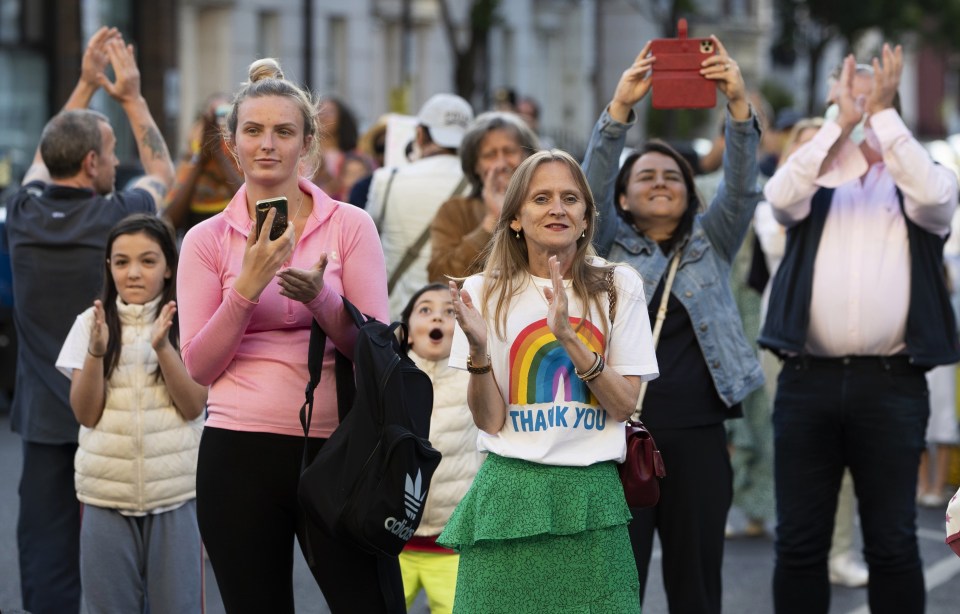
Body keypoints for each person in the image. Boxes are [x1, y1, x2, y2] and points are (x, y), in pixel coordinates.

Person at [176, 58, 400, 614]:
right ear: (232, 145)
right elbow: (198, 368)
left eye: (283, 131)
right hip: (238, 451)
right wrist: (246, 287)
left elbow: (378, 349)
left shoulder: (350, 224)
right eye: (253, 131)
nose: (267, 144)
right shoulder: (205, 240)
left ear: (307, 144)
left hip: (339, 448)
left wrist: (320, 299)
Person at [758, 46, 960, 614]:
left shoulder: (919, 186)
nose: (863, 108)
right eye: (851, 96)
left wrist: (887, 115)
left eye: (873, 98)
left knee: (893, 542)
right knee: (799, 543)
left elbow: (940, 199)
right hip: (807, 381)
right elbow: (778, 198)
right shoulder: (815, 181)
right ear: (833, 100)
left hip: (891, 385)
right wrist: (840, 125)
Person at [582, 38, 763, 613]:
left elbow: (740, 183)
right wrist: (618, 111)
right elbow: (587, 188)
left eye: (673, 177)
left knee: (697, 584)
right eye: (646, 176)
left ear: (691, 196)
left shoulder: (713, 241)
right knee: (616, 584)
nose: (660, 181)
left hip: (701, 441)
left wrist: (736, 101)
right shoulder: (606, 246)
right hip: (619, 436)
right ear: (624, 201)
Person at [438, 149, 660, 612]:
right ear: (516, 217)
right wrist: (479, 351)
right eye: (541, 198)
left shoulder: (620, 285)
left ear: (585, 219)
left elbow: (623, 405)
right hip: (507, 494)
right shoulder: (483, 291)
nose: (557, 208)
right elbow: (491, 421)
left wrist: (569, 338)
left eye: (570, 198)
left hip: (593, 497)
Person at [5, 27, 174, 614]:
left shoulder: (22, 213)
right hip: (112, 410)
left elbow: (39, 161)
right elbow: (163, 172)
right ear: (93, 162)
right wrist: (129, 98)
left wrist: (81, 84)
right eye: (108, 150)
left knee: (47, 547)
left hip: (45, 417)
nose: (118, 160)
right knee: (120, 549)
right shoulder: (120, 216)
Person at [54, 214, 206, 613]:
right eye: (121, 262)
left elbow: (193, 406)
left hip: (175, 494)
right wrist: (96, 352)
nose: (133, 273)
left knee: (179, 605)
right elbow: (86, 415)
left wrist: (163, 348)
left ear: (169, 266)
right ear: (109, 267)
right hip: (105, 493)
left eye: (148, 261)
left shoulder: (189, 322)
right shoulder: (91, 324)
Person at [754, 116, 870, 588]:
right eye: (804, 148)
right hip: (787, 346)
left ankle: (839, 550)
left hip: (846, 351)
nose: (818, 155)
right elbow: (784, 238)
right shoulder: (775, 203)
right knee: (795, 454)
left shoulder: (854, 203)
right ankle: (801, 547)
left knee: (846, 459)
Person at [397, 282, 483, 614]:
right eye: (425, 310)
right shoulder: (391, 377)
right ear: (406, 333)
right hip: (394, 543)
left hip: (454, 543)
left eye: (449, 312)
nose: (438, 318)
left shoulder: (475, 378)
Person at [366, 93, 474, 318]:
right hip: (459, 317)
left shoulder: (387, 178)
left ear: (420, 134)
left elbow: (365, 241)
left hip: (398, 319)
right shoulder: (480, 184)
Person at [427, 111, 539, 281]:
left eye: (509, 151)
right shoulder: (454, 211)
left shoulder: (545, 208)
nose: (501, 164)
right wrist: (492, 219)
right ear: (475, 166)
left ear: (527, 157)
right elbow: (440, 279)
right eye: (490, 155)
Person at [164, 93, 243, 235]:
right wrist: (201, 161)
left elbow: (249, 204)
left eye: (223, 116)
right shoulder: (187, 166)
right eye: (210, 121)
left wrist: (219, 156)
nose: (216, 127)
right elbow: (169, 221)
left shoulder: (243, 165)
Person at [311, 96, 371, 201]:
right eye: (320, 110)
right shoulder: (304, 152)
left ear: (341, 118)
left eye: (330, 112)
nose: (323, 116)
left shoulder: (355, 155)